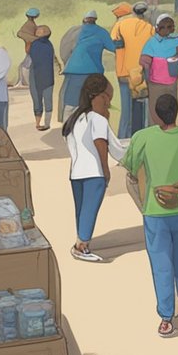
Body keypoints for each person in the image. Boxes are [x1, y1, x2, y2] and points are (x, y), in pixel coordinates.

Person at [122, 93, 178, 337]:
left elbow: (129, 169)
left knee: (161, 263)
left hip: (155, 209)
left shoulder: (143, 137)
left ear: (155, 114)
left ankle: (166, 316)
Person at [63, 74, 127, 263]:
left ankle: (81, 242)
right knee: (90, 209)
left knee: (81, 210)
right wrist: (106, 170)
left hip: (76, 173)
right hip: (94, 172)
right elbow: (102, 144)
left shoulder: (75, 118)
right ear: (96, 96)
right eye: (107, 98)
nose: (108, 103)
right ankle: (81, 247)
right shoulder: (98, 119)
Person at [111, 2, 155, 138]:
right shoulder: (150, 28)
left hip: (124, 71)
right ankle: (141, 137)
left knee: (126, 109)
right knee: (142, 106)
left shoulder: (120, 25)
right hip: (142, 72)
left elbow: (113, 42)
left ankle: (123, 137)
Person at [62, 10, 116, 114]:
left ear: (84, 20)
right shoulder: (101, 32)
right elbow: (113, 47)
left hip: (73, 69)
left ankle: (68, 125)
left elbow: (66, 48)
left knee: (71, 102)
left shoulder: (76, 31)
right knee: (91, 101)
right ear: (95, 20)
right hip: (92, 71)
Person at [139, 14, 178, 126]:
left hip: (161, 82)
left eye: (168, 27)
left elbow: (144, 61)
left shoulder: (171, 40)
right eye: (163, 27)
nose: (166, 30)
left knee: (158, 109)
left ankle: (161, 129)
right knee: (166, 108)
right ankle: (166, 129)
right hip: (165, 81)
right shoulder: (174, 40)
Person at [29, 25, 57, 131]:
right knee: (48, 100)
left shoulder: (35, 44)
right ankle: (47, 123)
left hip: (36, 75)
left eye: (39, 30)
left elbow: (33, 57)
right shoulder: (50, 45)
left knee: (37, 100)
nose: (36, 30)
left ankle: (38, 123)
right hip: (48, 76)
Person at [15, 8, 41, 89]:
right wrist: (35, 39)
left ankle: (27, 82)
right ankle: (27, 83)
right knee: (26, 65)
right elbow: (20, 33)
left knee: (26, 64)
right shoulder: (29, 24)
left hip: (31, 47)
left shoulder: (32, 24)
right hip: (31, 47)